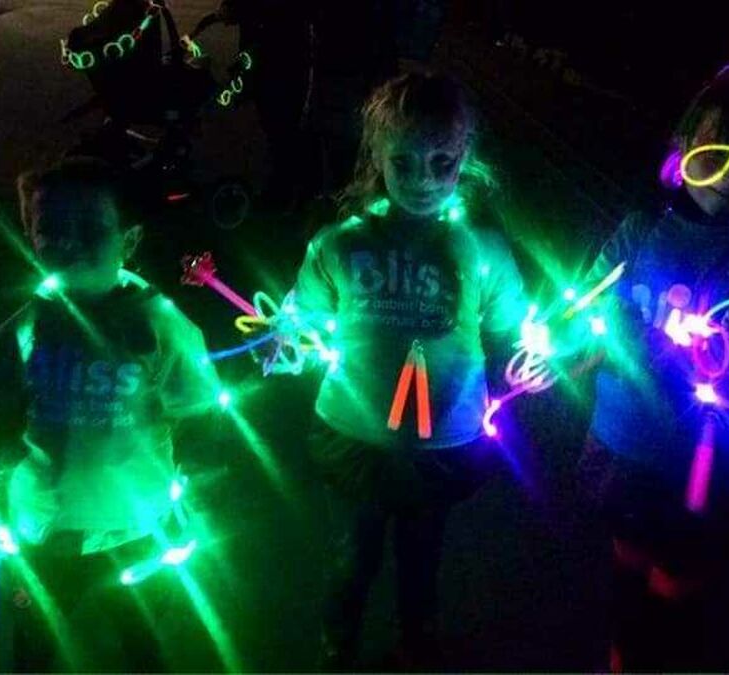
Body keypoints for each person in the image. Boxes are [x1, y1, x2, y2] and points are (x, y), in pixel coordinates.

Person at [577, 25, 729, 671]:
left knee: (682, 577)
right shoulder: (639, 232)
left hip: (707, 463)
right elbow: (588, 303)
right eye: (713, 158)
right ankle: (626, 648)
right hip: (625, 442)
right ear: (682, 150)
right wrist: (594, 331)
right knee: (628, 558)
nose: (728, 182)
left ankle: (659, 647)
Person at [290, 72, 527, 668]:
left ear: (464, 157)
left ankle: (416, 640)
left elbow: (510, 329)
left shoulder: (482, 249)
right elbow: (304, 319)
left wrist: (532, 360)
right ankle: (338, 639)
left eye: (441, 162)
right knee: (353, 555)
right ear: (377, 155)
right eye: (404, 161)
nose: (423, 179)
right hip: (353, 435)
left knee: (422, 556)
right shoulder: (340, 244)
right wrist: (286, 341)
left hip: (442, 441)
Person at [0, 157, 222, 672]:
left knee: (144, 645)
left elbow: (200, 413)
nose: (68, 242)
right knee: (34, 645)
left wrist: (196, 489)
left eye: (89, 229)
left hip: (134, 530)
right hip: (42, 530)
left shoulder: (160, 327)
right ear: (30, 235)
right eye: (50, 230)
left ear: (128, 241)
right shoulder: (23, 329)